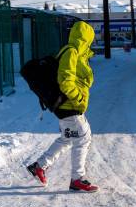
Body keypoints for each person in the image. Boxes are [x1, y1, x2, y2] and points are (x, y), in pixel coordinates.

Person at [27, 21, 99, 193]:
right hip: (69, 105)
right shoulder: (72, 52)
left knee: (68, 138)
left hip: (67, 105)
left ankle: (39, 166)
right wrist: (78, 97)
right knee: (83, 138)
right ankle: (77, 179)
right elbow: (65, 80)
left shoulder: (77, 53)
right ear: (85, 38)